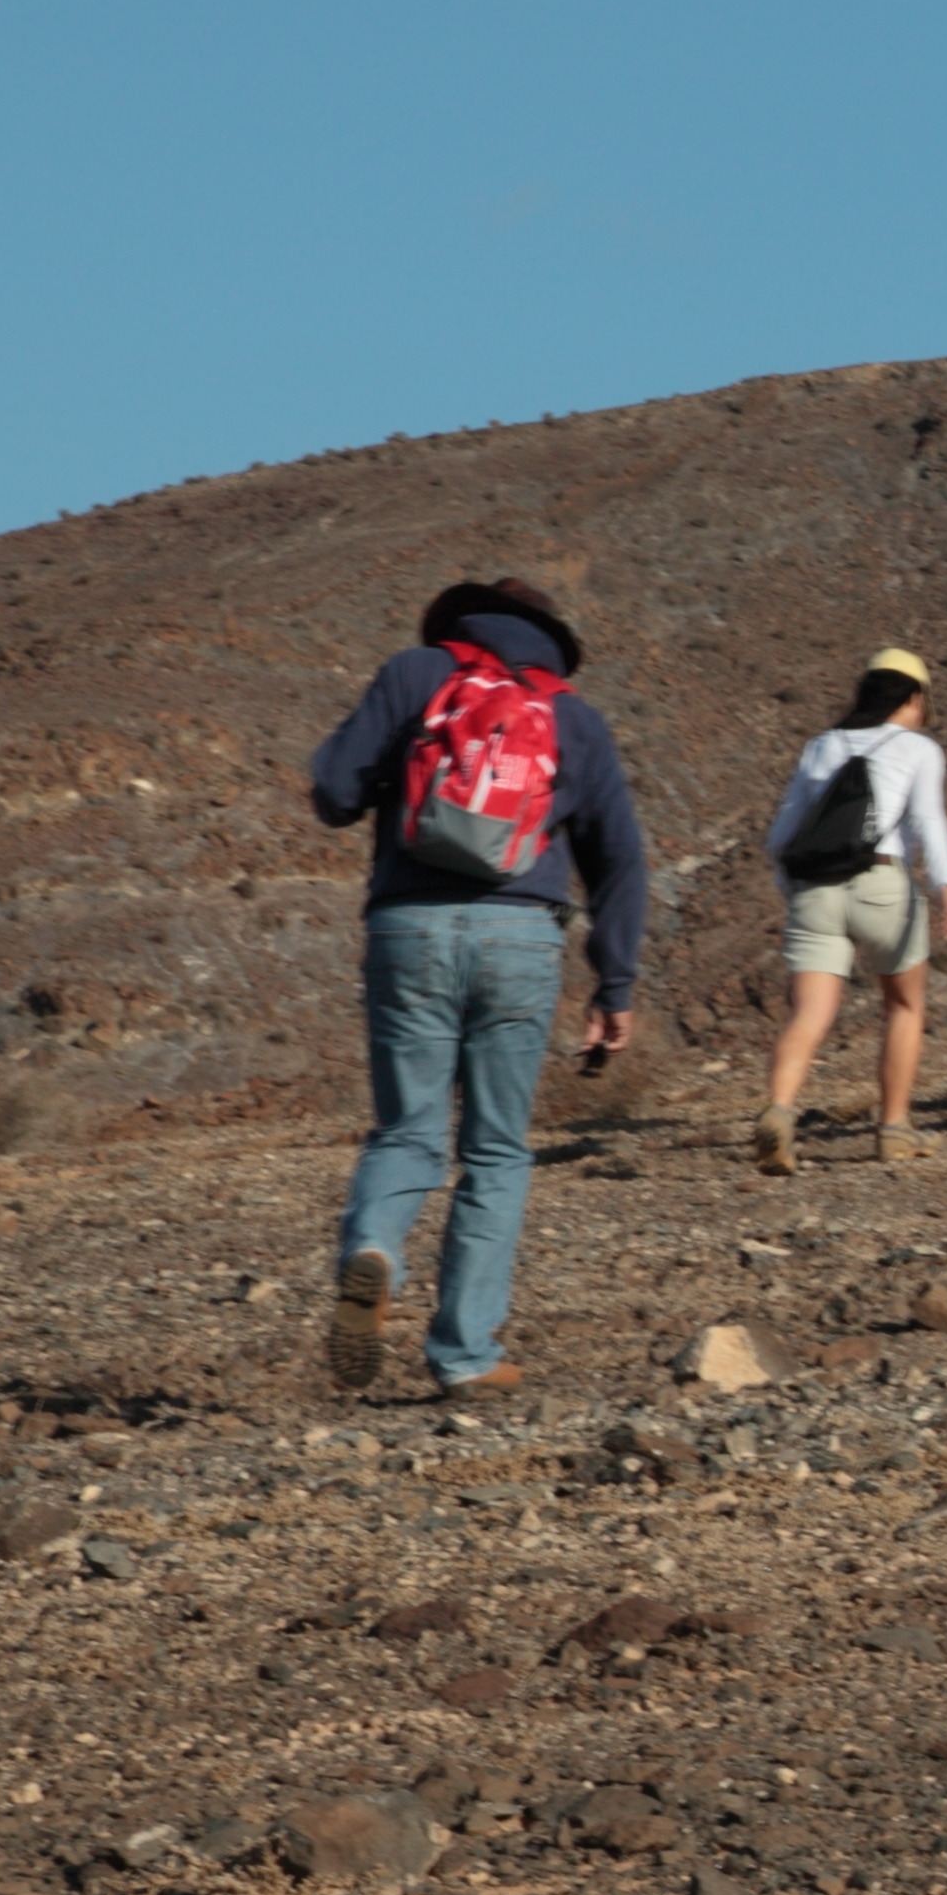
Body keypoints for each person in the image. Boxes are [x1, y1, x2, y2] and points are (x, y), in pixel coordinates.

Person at [304, 574, 647, 1399]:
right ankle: (465, 1354)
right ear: (549, 638)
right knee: (495, 1149)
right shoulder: (572, 715)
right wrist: (615, 985)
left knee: (407, 1132)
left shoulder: (415, 674)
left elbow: (334, 793)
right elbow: (621, 860)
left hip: (410, 928)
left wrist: (391, 780)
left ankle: (373, 1249)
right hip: (520, 936)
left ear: (461, 623)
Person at [754, 649, 947, 1173]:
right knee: (904, 1006)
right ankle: (893, 1128)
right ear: (913, 698)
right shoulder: (918, 748)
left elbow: (782, 835)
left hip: (815, 891)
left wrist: (791, 889)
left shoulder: (821, 745)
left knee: (809, 1013)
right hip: (882, 886)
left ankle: (779, 1110)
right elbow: (928, 821)